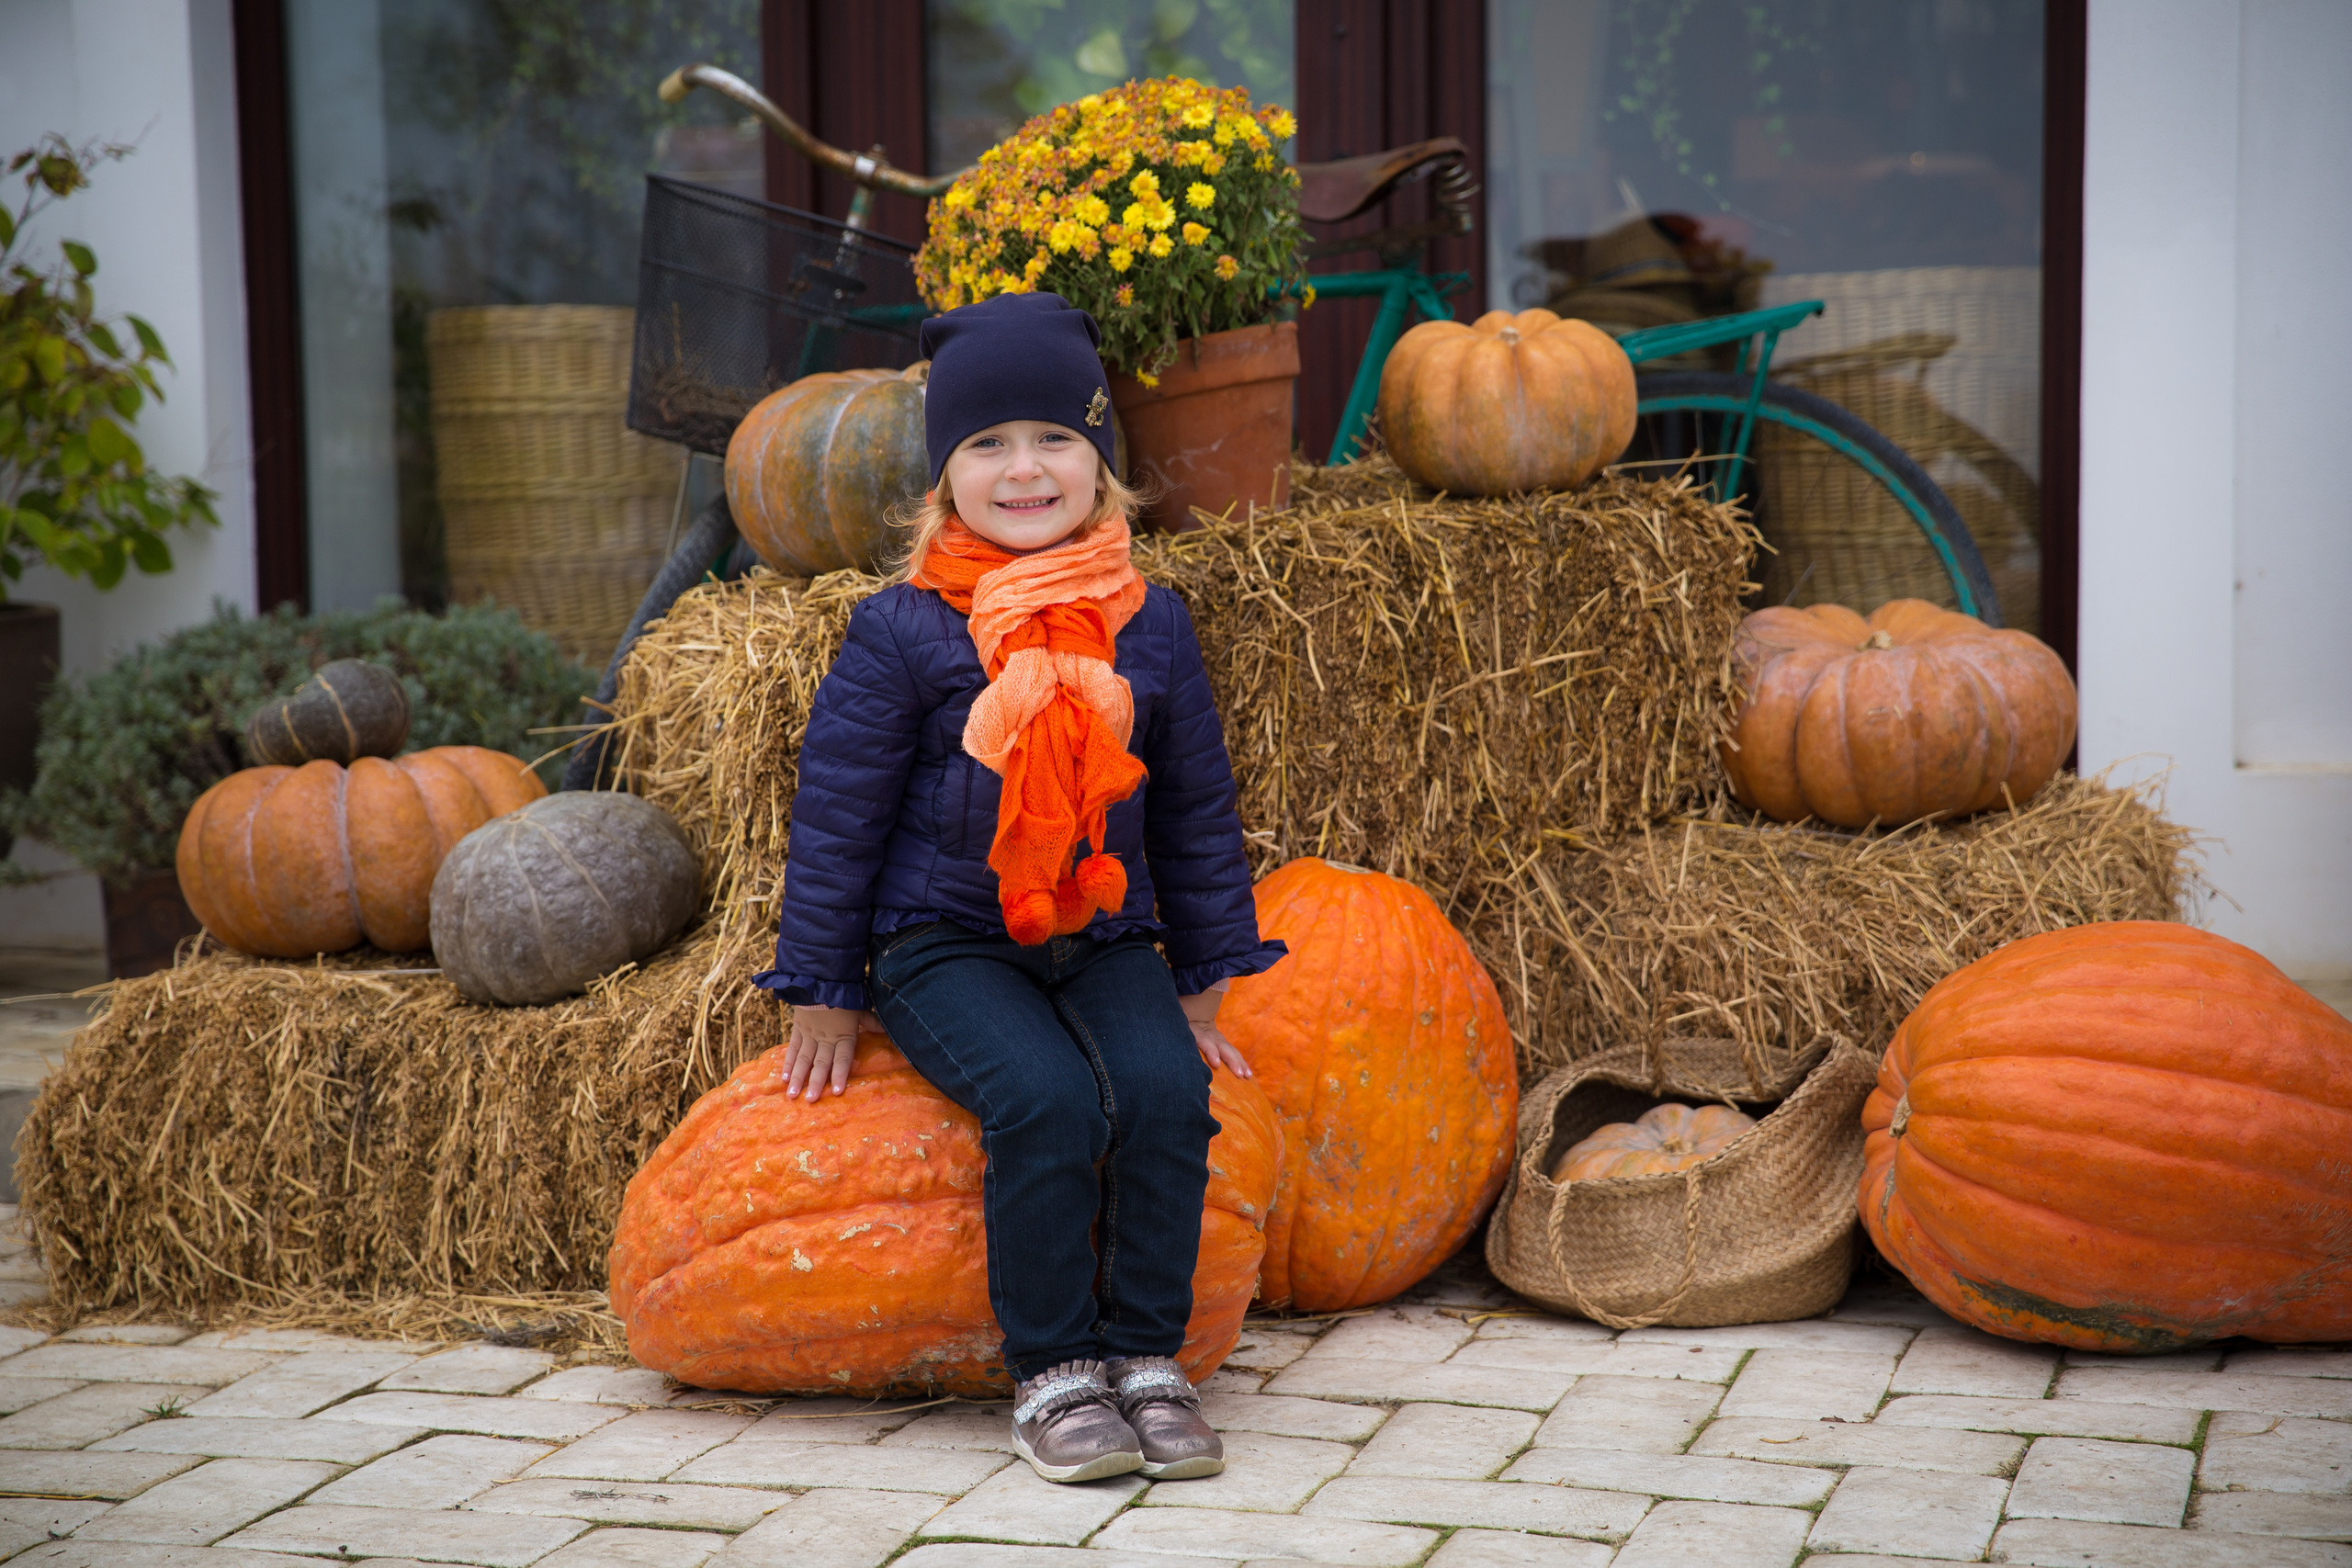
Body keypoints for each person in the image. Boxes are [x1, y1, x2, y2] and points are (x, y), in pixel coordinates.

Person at [757, 290, 1285, 1485]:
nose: (1025, 467)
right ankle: (1053, 1376)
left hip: (1100, 931)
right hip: (943, 943)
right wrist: (824, 990)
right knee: (1047, 1100)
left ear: (1103, 462)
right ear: (945, 478)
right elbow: (837, 818)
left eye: (1056, 438)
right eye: (987, 444)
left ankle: (1148, 1359)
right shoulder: (902, 632)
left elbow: (1199, 812)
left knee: (1160, 1093)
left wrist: (1203, 981)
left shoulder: (1151, 627)